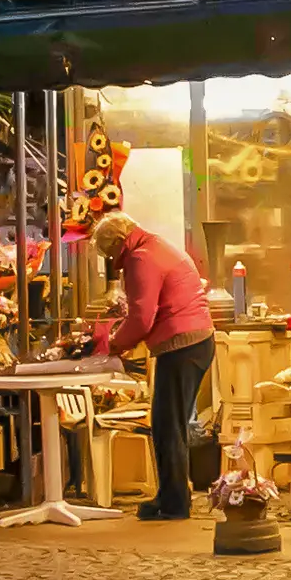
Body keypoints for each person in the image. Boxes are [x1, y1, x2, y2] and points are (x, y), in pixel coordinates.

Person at [84, 213, 214, 520]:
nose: (112, 261)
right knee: (171, 424)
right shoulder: (155, 246)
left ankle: (174, 504)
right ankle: (172, 497)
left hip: (181, 345)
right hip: (194, 341)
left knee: (168, 427)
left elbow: (142, 317)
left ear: (117, 243)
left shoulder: (141, 257)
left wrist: (114, 343)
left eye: (109, 253)